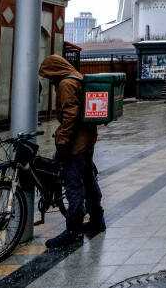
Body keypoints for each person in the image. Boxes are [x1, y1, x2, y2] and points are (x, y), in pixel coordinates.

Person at [38, 55, 104, 248]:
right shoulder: (78, 77)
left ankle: (73, 231)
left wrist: (62, 140)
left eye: (49, 76)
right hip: (87, 139)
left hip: (76, 143)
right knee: (89, 180)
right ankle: (97, 220)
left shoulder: (66, 84)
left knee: (73, 186)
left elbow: (71, 115)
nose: (49, 81)